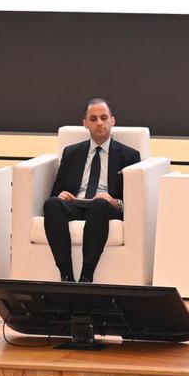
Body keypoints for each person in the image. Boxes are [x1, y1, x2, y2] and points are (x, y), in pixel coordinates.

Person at [42, 98, 141, 282]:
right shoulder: (71, 152)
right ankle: (66, 275)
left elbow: (134, 201)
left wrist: (114, 201)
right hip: (76, 203)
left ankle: (86, 276)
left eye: (104, 117)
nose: (99, 123)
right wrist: (61, 195)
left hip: (105, 207)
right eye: (93, 119)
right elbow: (56, 191)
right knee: (52, 204)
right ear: (85, 123)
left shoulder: (129, 155)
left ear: (113, 120)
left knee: (99, 205)